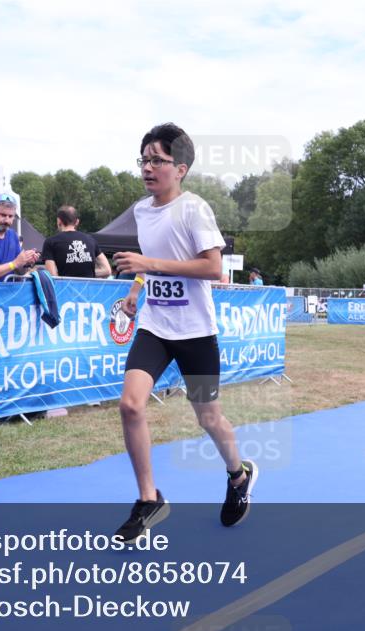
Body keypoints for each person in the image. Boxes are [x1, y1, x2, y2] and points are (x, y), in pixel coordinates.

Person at [110, 123, 256, 544]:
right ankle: (148, 499)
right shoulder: (142, 211)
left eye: (157, 160)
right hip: (155, 326)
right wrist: (137, 289)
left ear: (181, 169)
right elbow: (151, 260)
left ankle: (238, 475)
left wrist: (149, 265)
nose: (147, 168)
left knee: (208, 416)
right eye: (144, 159)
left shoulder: (195, 209)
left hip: (196, 332)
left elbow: (213, 268)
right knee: (130, 405)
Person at [42, 205, 111, 278]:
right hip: (88, 285)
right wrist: (87, 274)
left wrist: (69, 275)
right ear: (77, 222)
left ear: (59, 221)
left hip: (66, 285)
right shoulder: (91, 240)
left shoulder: (50, 242)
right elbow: (107, 270)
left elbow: (53, 276)